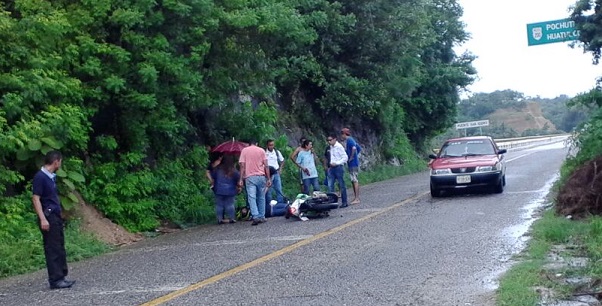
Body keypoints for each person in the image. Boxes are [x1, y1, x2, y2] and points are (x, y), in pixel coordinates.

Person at [32, 151, 76, 290]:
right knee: (52, 248)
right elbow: (36, 198)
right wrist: (43, 219)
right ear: (56, 162)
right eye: (60, 161)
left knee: (59, 246)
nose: (60, 164)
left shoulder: (51, 178)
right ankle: (55, 279)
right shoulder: (40, 177)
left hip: (55, 216)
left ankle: (61, 276)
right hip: (47, 217)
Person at [238, 140, 271, 226]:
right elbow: (266, 166)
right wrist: (268, 178)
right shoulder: (261, 150)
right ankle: (262, 216)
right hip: (261, 176)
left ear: (249, 144)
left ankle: (255, 216)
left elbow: (242, 166)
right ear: (256, 143)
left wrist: (241, 179)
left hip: (250, 177)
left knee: (252, 197)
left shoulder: (244, 151)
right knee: (261, 196)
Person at [211, 155, 240, 224]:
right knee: (230, 204)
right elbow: (238, 178)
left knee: (219, 205)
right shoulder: (233, 170)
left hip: (219, 190)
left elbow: (213, 177)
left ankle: (219, 219)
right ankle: (231, 218)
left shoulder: (217, 169)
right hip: (230, 190)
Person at [327, 134, 349, 207]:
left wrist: (337, 163)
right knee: (330, 185)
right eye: (328, 140)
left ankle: (344, 202)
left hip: (338, 167)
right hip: (331, 167)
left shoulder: (339, 147)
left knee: (341, 185)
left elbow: (345, 157)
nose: (329, 142)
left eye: (330, 140)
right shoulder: (331, 147)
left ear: (334, 139)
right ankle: (332, 202)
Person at [341, 128, 360, 204]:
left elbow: (354, 148)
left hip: (353, 163)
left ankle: (357, 198)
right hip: (353, 163)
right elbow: (359, 148)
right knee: (353, 180)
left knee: (354, 180)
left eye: (342, 134)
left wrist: (351, 157)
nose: (341, 136)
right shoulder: (351, 140)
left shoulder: (349, 140)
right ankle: (356, 197)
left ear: (344, 134)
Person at [265, 139, 285, 206]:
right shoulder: (264, 153)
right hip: (268, 174)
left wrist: (280, 169)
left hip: (276, 172)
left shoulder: (276, 152)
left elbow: (282, 160)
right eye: (270, 145)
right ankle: (269, 205)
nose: (271, 146)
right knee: (268, 190)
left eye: (272, 145)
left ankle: (280, 205)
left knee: (278, 189)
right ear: (267, 145)